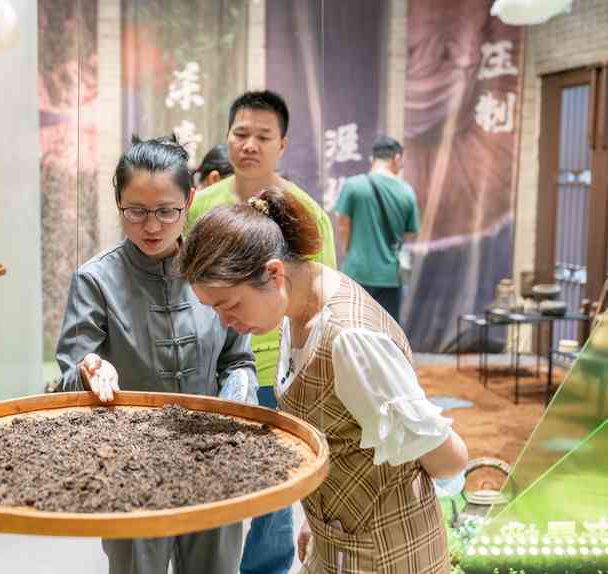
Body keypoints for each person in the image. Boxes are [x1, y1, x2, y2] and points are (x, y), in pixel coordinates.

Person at [180, 187, 468, 574]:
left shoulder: (350, 339)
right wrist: (322, 524)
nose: (225, 322)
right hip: (337, 539)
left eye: (229, 305)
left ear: (274, 273)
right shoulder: (297, 305)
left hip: (387, 554)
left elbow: (449, 458)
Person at [55, 134, 257, 574]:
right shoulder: (96, 280)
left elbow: (237, 359)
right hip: (131, 469)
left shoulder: (215, 271)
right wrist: (90, 368)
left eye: (167, 211)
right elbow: (72, 371)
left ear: (189, 199)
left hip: (212, 460)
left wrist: (240, 387)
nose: (151, 227)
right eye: (137, 212)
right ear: (118, 204)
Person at [185, 89, 336, 574]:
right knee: (207, 472)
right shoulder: (202, 203)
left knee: (274, 482)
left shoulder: (304, 212)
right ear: (227, 138)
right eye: (240, 133)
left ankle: (265, 569)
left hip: (276, 369)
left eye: (263, 136)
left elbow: (317, 299)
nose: (250, 144)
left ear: (282, 145)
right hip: (210, 365)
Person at [334, 135, 419, 323]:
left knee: (352, 331)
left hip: (356, 273)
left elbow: (343, 225)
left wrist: (351, 252)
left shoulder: (353, 186)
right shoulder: (407, 192)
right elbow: (409, 233)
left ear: (372, 159)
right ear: (397, 159)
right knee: (387, 335)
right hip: (390, 276)